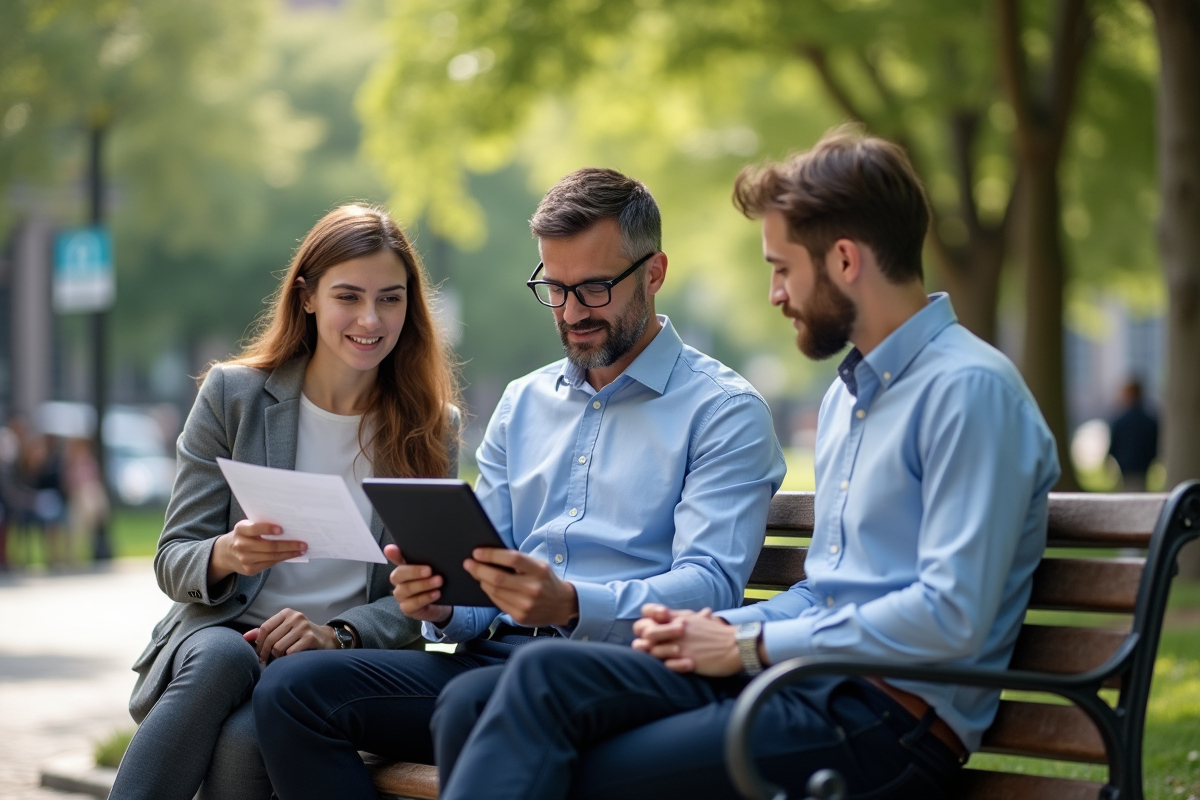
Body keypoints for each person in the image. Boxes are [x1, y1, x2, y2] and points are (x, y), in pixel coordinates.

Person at [434, 128, 1062, 800]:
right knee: (518, 688)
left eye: (782, 268)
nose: (775, 294)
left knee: (563, 750)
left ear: (844, 260)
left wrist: (749, 647)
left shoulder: (968, 391)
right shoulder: (851, 397)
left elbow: (951, 616)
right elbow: (828, 594)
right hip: (803, 683)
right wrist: (713, 629)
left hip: (887, 721)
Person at [253, 168, 787, 799]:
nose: (571, 312)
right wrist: (444, 604)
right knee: (292, 691)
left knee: (476, 702)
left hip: (624, 673)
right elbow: (485, 576)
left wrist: (572, 603)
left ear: (654, 273)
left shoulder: (723, 411)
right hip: (494, 660)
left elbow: (711, 585)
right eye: (553, 288)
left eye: (593, 288)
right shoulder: (523, 402)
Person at [109, 204, 462, 800]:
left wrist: (338, 635)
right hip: (222, 635)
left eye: (390, 299)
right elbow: (172, 558)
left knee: (247, 737)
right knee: (224, 658)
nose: (370, 319)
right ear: (307, 297)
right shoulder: (233, 395)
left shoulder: (432, 429)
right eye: (348, 296)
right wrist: (227, 553)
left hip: (331, 659)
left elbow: (423, 598)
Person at [1108, 378, 1158, 492]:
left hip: (1126, 466)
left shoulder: (1120, 420)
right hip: (1143, 466)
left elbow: (1114, 445)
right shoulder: (1150, 420)